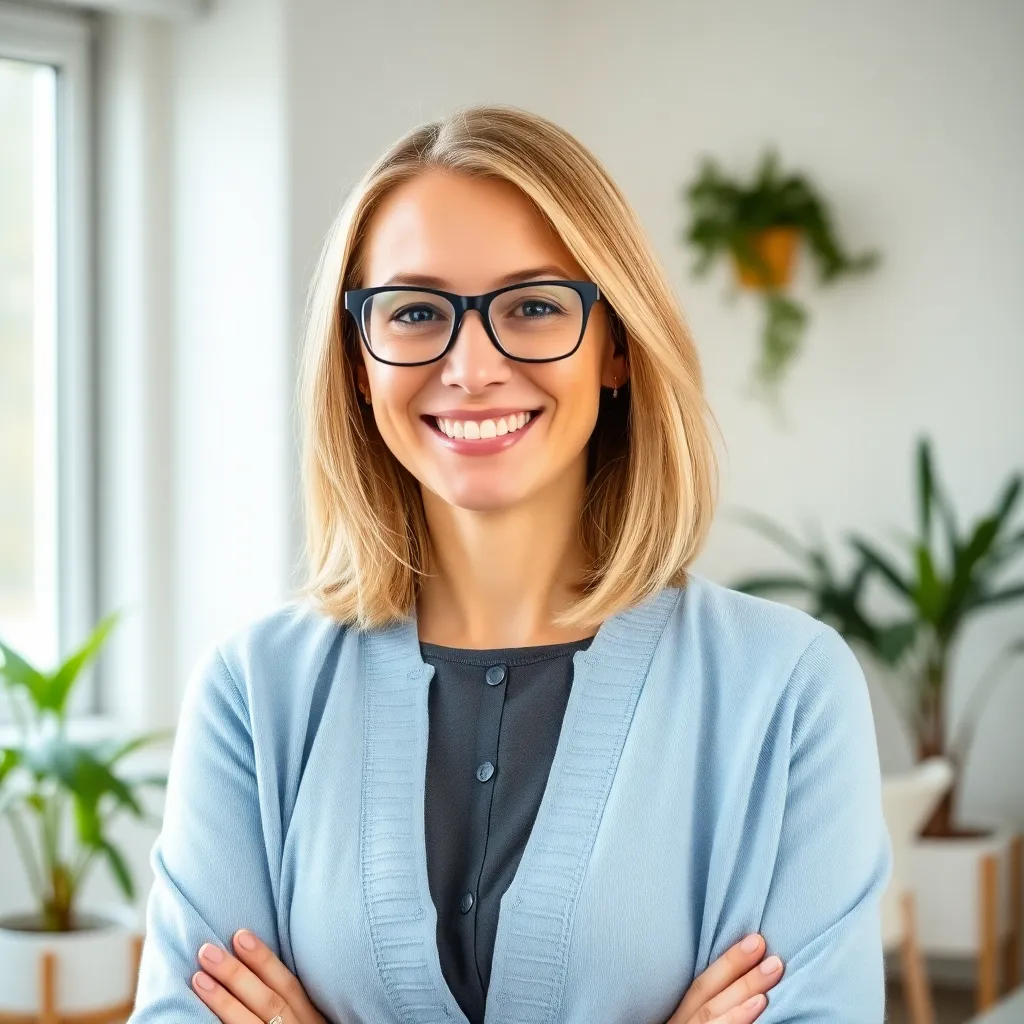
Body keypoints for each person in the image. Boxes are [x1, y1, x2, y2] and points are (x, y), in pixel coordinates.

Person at [128, 105, 891, 1024]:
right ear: (357, 360)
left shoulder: (789, 688)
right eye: (414, 311)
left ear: (616, 345)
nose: (472, 364)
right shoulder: (255, 693)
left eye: (532, 306)